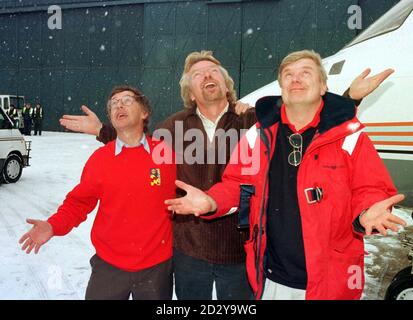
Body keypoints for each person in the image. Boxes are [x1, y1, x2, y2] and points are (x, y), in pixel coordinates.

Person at [59, 51, 394, 300]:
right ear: (189, 90)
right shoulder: (172, 128)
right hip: (191, 251)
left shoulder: (253, 122)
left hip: (242, 253)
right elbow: (138, 148)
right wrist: (105, 132)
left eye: (213, 71)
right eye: (197, 74)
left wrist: (348, 99)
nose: (206, 75)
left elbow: (311, 117)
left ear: (226, 84)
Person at [164, 50, 407, 300]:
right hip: (270, 278)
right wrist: (211, 201)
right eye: (288, 75)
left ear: (324, 85)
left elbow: (370, 188)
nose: (296, 79)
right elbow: (237, 184)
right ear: (281, 87)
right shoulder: (258, 136)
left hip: (329, 278)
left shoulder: (350, 137)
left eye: (305, 73)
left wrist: (366, 211)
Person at [19, 85, 176, 300]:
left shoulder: (166, 154)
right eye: (113, 104)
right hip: (108, 267)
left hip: (156, 269)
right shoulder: (99, 160)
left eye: (127, 100)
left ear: (144, 112)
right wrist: (53, 225)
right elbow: (78, 203)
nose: (119, 105)